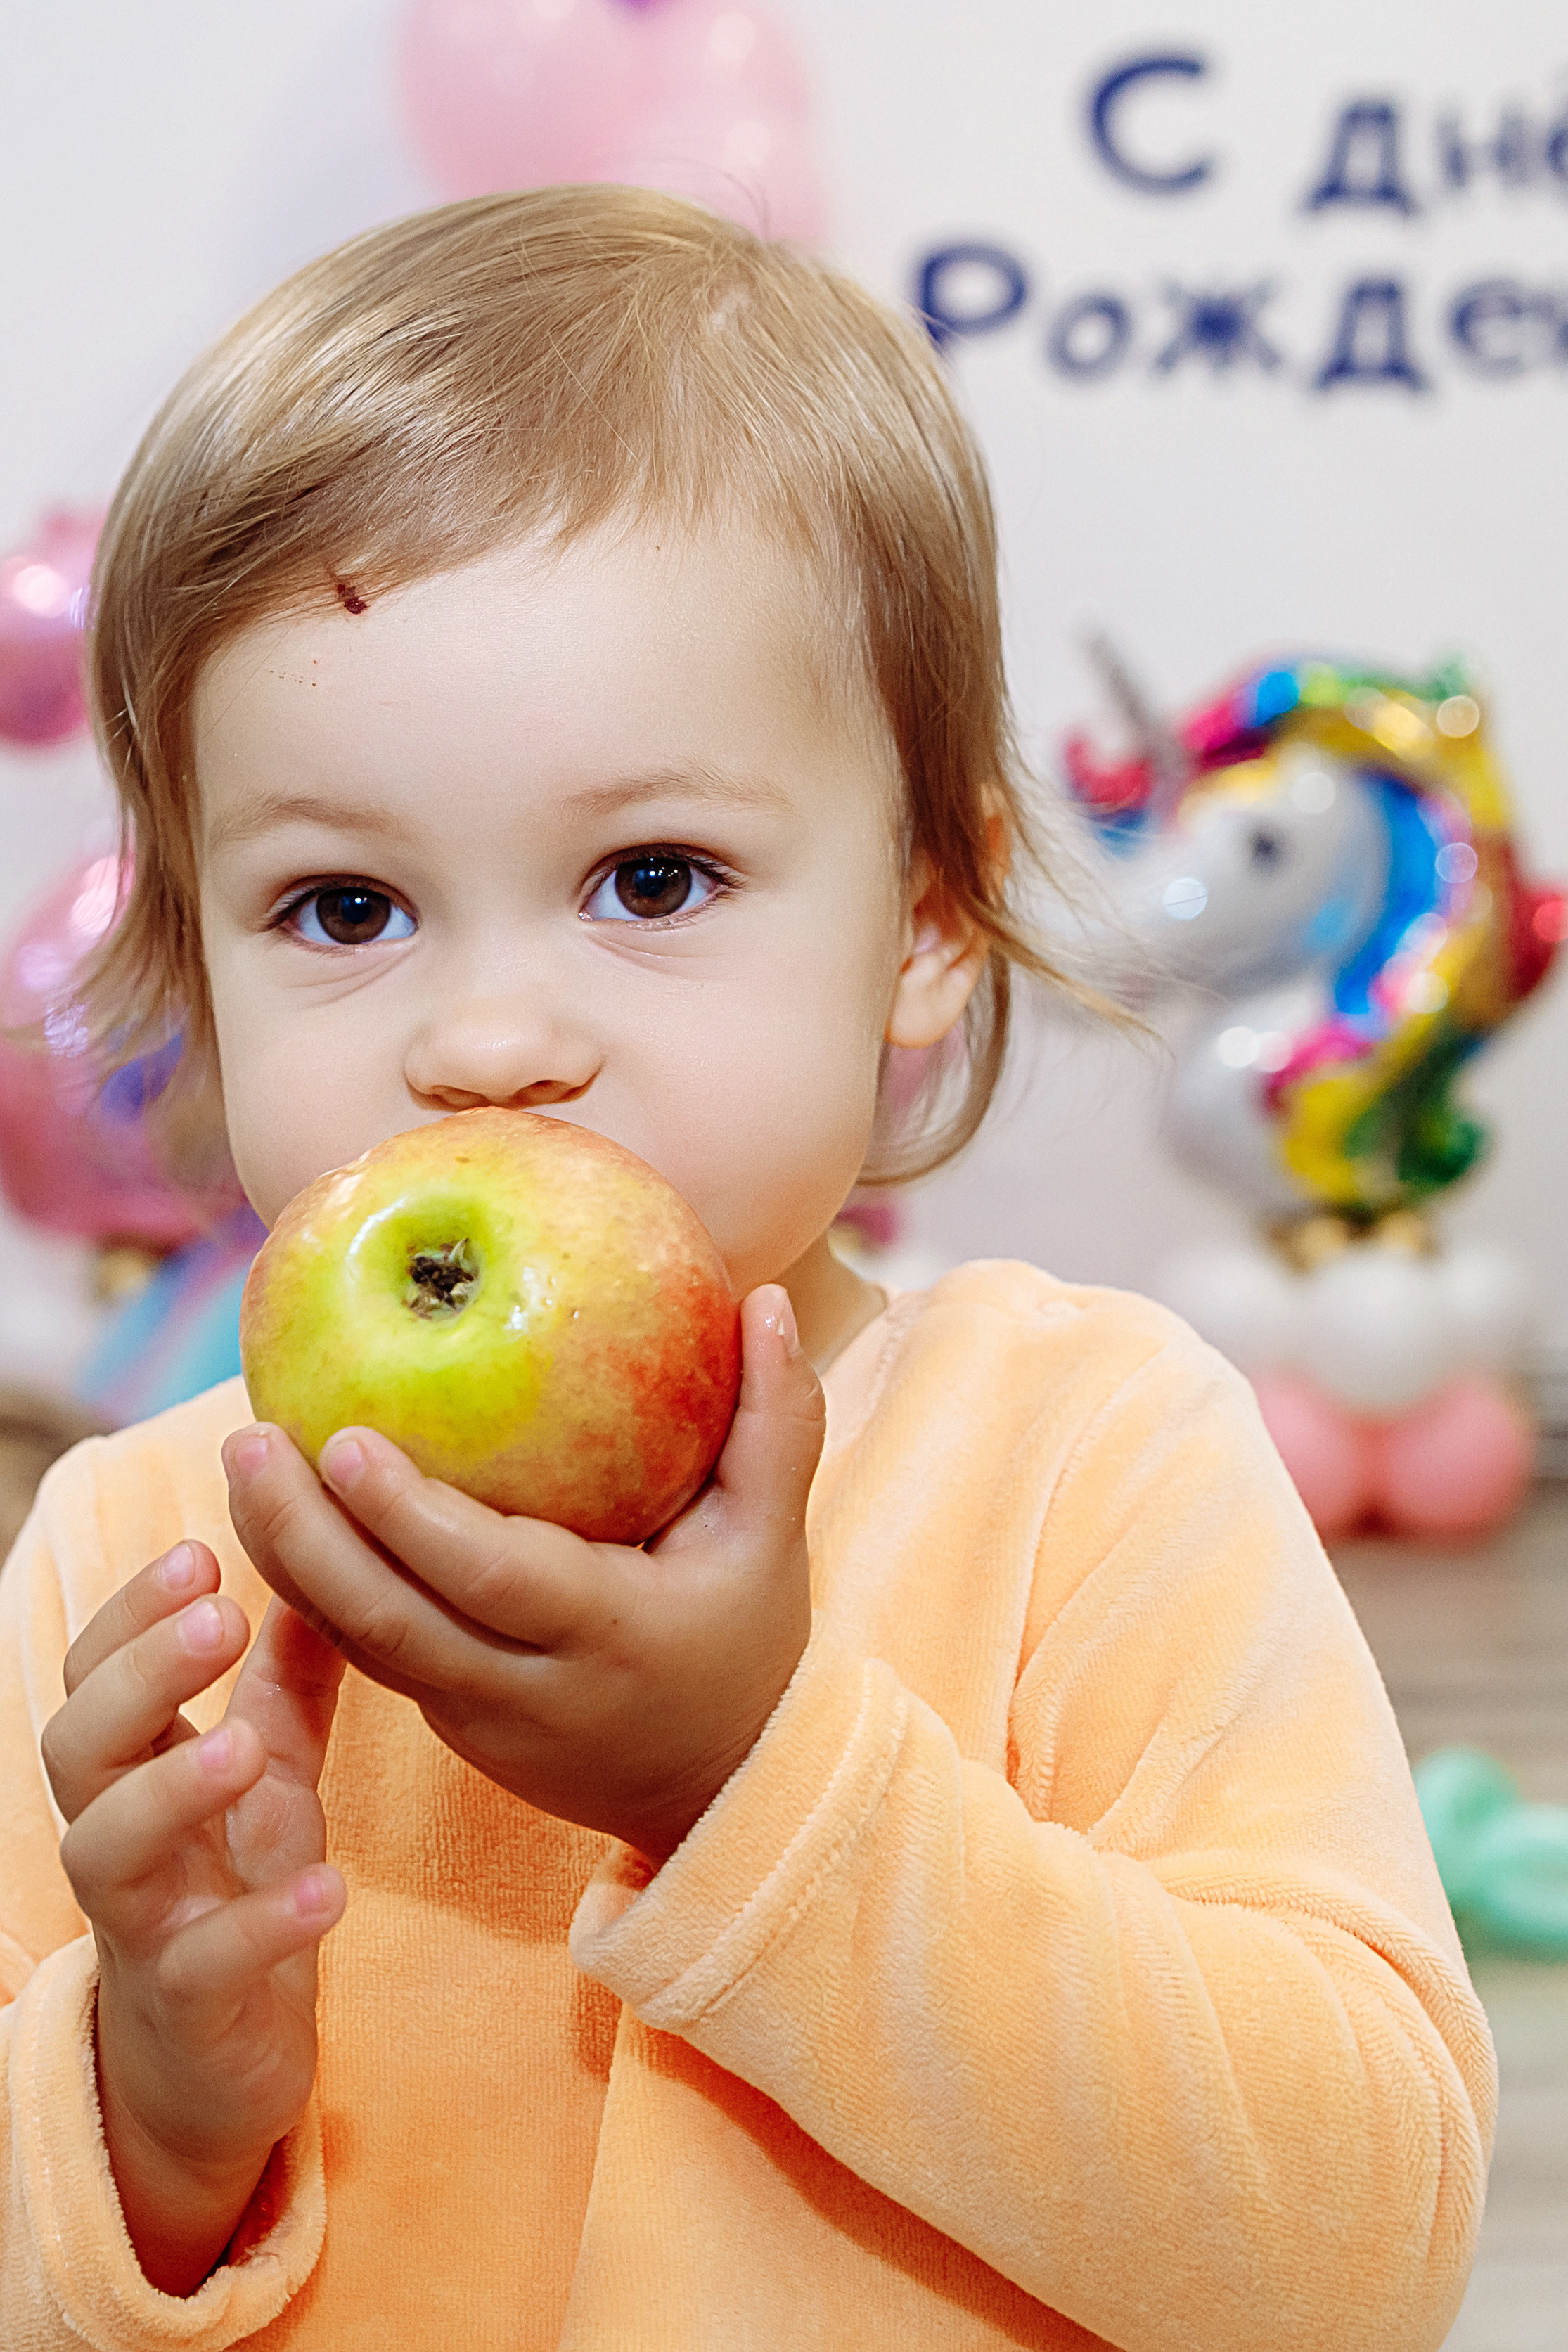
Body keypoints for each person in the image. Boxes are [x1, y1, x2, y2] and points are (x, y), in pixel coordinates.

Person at [0, 189, 1493, 2352]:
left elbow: (1360, 2258)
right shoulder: (128, 1565)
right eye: (342, 907)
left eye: (653, 872)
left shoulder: (1088, 1464)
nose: (485, 1038)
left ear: (924, 916)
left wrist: (754, 1785)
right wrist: (147, 2114)